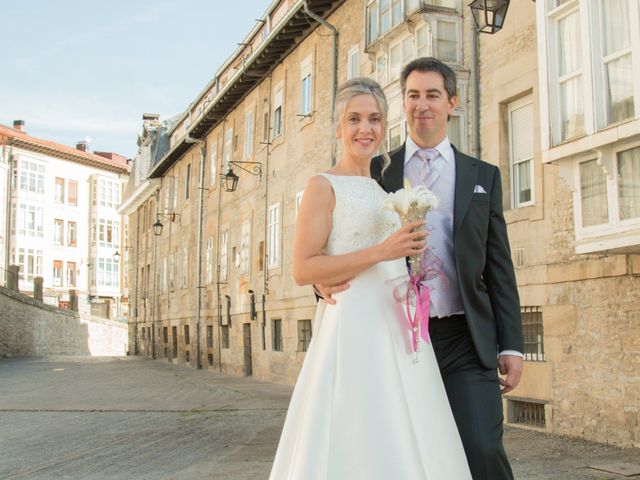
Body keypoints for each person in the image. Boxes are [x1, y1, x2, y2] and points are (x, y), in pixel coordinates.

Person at [320, 57, 525, 480]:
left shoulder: (482, 175)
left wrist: (512, 344)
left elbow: (499, 266)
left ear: (452, 102)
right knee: (410, 454)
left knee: (482, 449)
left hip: (464, 334)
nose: (422, 104)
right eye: (412, 95)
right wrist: (323, 283)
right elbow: (344, 231)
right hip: (394, 335)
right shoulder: (375, 170)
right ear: (403, 103)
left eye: (432, 94)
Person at [269, 77, 472, 479]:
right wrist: (384, 252)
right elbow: (303, 268)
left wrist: (409, 259)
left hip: (397, 328)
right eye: (355, 119)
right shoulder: (322, 185)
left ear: (385, 126)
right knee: (357, 428)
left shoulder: (383, 191)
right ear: (338, 127)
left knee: (406, 426)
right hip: (354, 327)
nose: (366, 129)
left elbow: (386, 260)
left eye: (375, 119)